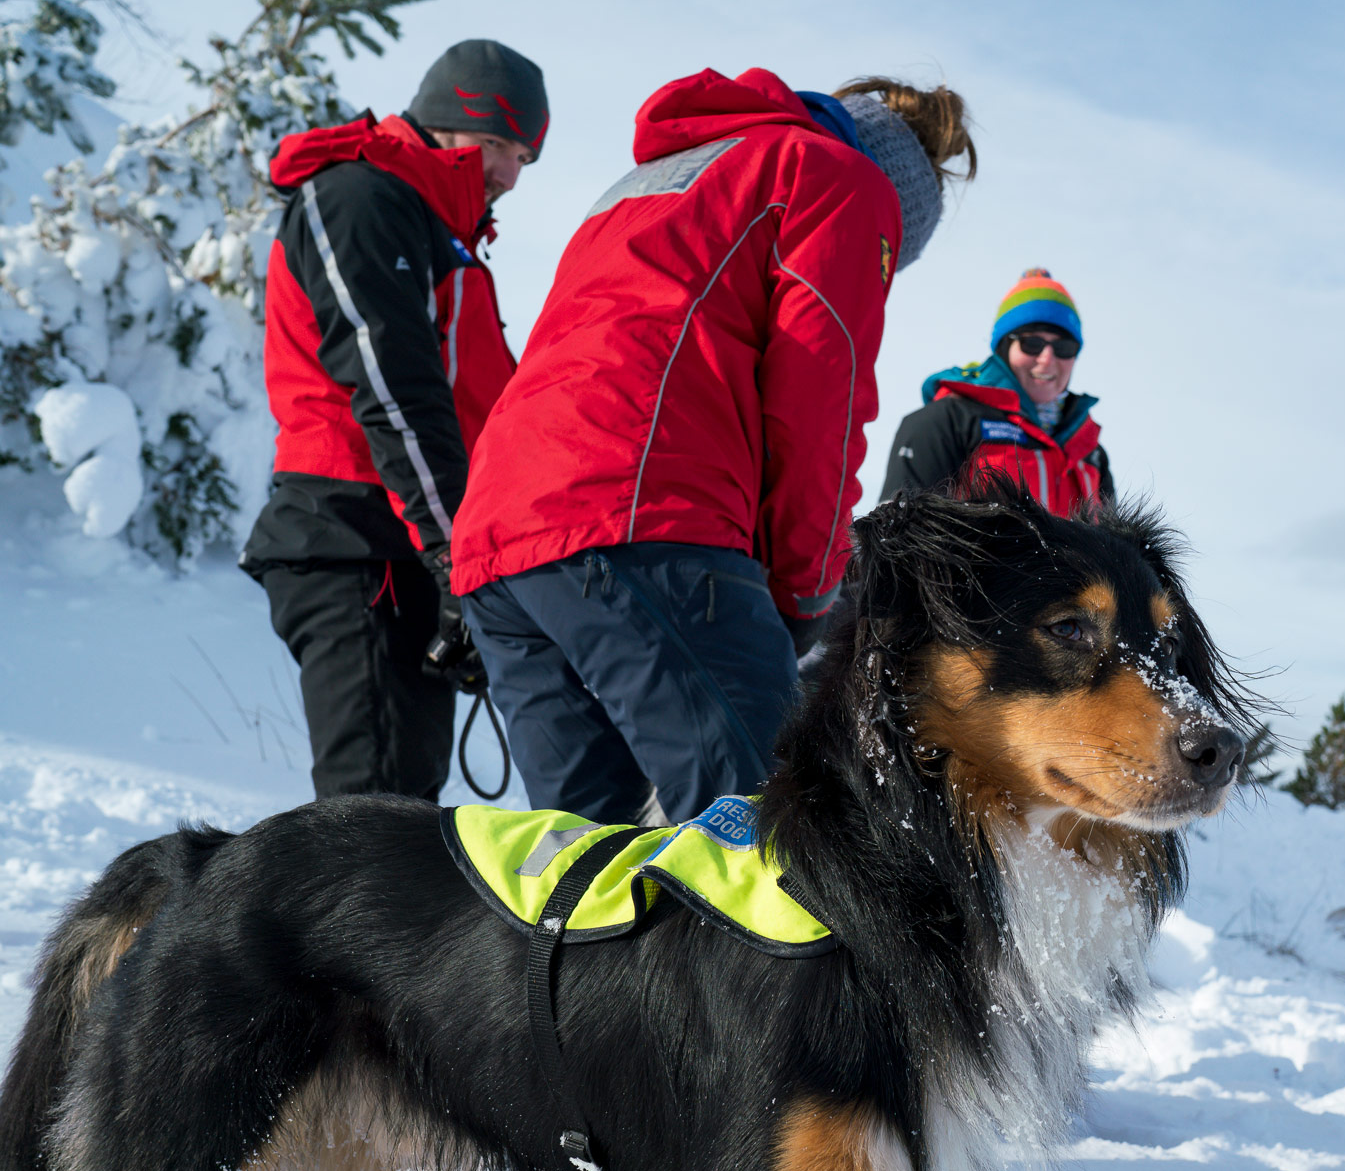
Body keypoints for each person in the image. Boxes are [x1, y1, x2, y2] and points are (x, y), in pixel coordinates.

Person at [452, 68, 975, 826]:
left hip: (500, 531)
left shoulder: (660, 178)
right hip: (638, 518)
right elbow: (820, 407)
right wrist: (806, 592)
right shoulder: (843, 181)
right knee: (780, 838)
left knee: (582, 860)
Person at [239, 40, 546, 801]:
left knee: (400, 812)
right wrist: (458, 559)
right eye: (499, 144)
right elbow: (392, 387)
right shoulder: (359, 199)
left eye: (524, 156)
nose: (510, 172)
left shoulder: (438, 233)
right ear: (449, 120)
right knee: (369, 822)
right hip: (354, 536)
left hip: (408, 542)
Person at [880, 268, 1111, 514]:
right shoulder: (948, 421)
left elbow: (1118, 547)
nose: (1047, 359)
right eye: (1032, 343)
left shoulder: (1090, 451)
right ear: (1004, 347)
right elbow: (896, 540)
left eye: (1064, 347)